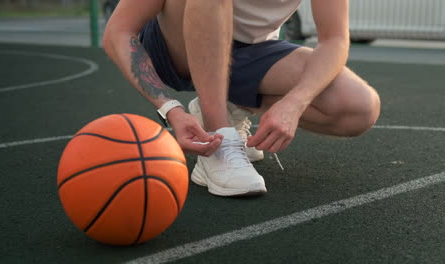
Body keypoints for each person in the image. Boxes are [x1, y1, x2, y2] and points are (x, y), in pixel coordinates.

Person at [102, 0, 381, 197]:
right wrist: (170, 108)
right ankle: (218, 133)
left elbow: (334, 40)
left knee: (357, 107)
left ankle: (229, 104)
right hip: (175, 50)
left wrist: (295, 102)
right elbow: (119, 31)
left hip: (250, 53)